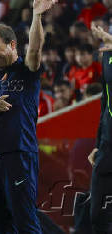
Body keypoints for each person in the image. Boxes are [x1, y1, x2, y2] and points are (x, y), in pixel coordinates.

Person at [0, 0, 58, 233]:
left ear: (12, 45)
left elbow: (36, 50)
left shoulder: (26, 71)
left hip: (19, 157)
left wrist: (37, 17)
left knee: (25, 223)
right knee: (1, 224)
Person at [88, 25, 112, 234]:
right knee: (96, 215)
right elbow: (105, 103)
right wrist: (97, 144)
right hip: (106, 148)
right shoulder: (106, 57)